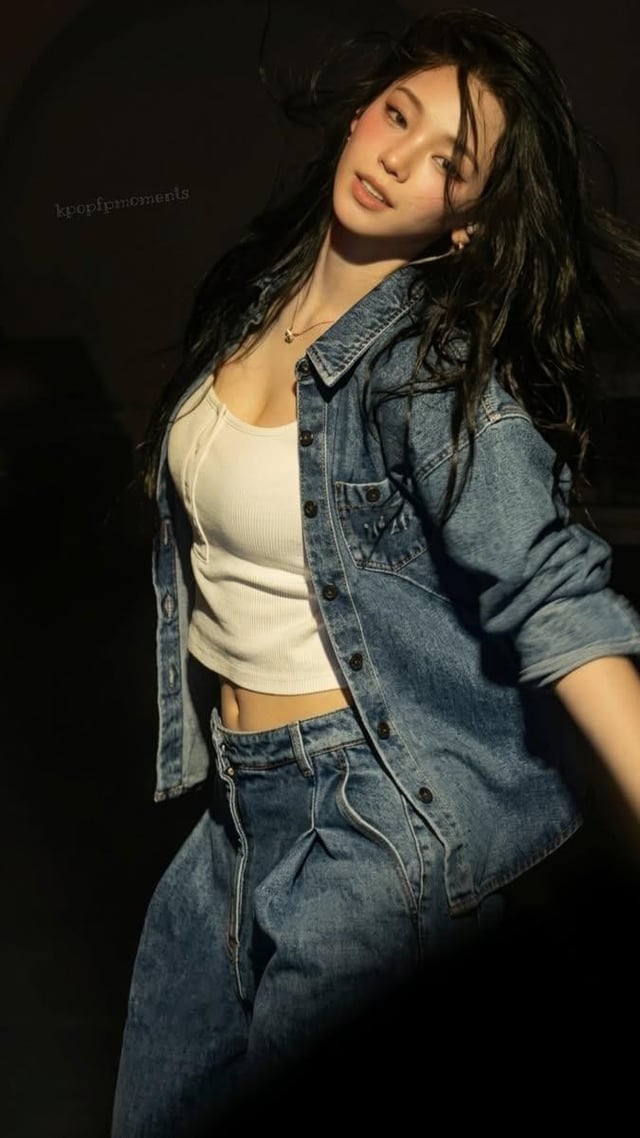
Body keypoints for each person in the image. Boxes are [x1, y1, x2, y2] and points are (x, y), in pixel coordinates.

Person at [111, 7, 640, 1135]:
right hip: (235, 816)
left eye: (449, 161)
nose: (401, 159)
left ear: (467, 220)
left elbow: (558, 597)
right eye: (400, 116)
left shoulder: (432, 376)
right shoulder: (256, 303)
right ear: (360, 113)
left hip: (367, 820)